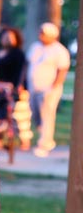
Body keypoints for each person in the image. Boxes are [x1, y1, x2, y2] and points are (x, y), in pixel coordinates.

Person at [26, 22, 70, 157]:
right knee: (35, 114)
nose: (40, 35)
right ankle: (45, 137)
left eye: (43, 33)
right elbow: (27, 65)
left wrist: (54, 87)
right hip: (33, 87)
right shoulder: (35, 47)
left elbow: (62, 70)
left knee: (47, 115)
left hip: (49, 89)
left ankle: (44, 144)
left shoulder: (59, 50)